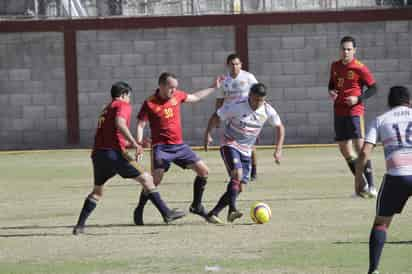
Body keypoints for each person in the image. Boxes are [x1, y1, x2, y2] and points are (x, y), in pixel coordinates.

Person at [72, 82, 184, 235]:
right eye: (129, 96)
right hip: (115, 154)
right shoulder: (122, 105)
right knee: (147, 179)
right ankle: (166, 213)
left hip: (99, 155)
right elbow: (120, 123)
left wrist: (135, 143)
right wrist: (133, 142)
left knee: (97, 192)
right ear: (124, 94)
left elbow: (112, 135)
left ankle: (80, 226)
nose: (129, 100)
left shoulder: (106, 108)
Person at [134, 72, 220, 225]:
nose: (174, 91)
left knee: (204, 171)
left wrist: (213, 87)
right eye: (171, 87)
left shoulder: (177, 96)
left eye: (175, 88)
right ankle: (139, 208)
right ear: (161, 86)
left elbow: (195, 97)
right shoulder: (149, 103)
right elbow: (141, 123)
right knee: (155, 181)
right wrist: (139, 143)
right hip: (161, 147)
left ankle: (196, 206)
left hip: (179, 146)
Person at [204, 83, 285, 224]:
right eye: (255, 99)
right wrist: (208, 134)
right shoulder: (237, 105)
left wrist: (278, 149)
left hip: (246, 150)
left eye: (260, 100)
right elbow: (216, 116)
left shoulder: (267, 110)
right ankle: (232, 210)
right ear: (249, 96)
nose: (257, 103)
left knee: (239, 187)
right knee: (237, 173)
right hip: (230, 144)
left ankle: (214, 213)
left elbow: (280, 127)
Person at [355, 86, 412, 274]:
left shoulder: (380, 120)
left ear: (389, 103)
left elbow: (364, 152)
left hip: (396, 177)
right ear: (409, 101)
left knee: (381, 223)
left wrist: (359, 180)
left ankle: (374, 270)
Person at [328, 36, 378, 197]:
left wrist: (358, 99)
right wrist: (331, 91)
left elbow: (373, 88)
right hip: (339, 111)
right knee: (345, 150)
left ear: (354, 50)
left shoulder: (360, 68)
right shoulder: (335, 66)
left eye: (349, 49)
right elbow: (332, 84)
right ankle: (360, 185)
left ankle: (371, 186)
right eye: (343, 48)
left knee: (360, 148)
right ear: (339, 50)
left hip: (355, 112)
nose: (346, 52)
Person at [206, 53, 260, 182]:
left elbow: (258, 93)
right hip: (230, 117)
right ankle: (233, 174)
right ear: (228, 65)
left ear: (241, 65)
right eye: (232, 64)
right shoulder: (225, 81)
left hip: (247, 117)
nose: (235, 66)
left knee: (249, 144)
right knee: (228, 145)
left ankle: (253, 172)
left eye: (237, 64)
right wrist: (217, 117)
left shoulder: (248, 77)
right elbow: (220, 100)